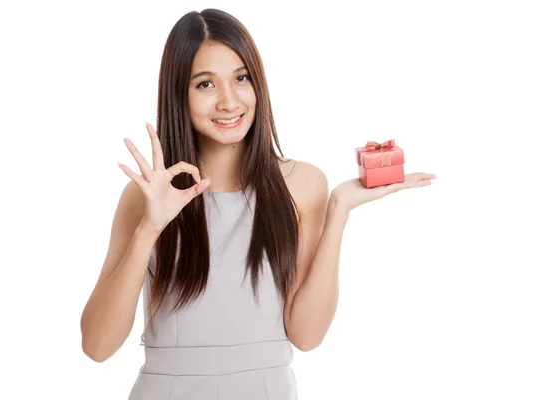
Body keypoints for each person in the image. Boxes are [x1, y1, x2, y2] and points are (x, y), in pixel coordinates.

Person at [79, 8, 436, 400]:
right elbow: (97, 346)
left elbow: (307, 335)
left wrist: (337, 211)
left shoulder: (302, 184)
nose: (229, 101)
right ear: (178, 93)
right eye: (204, 84)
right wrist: (150, 228)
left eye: (241, 78)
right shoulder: (146, 195)